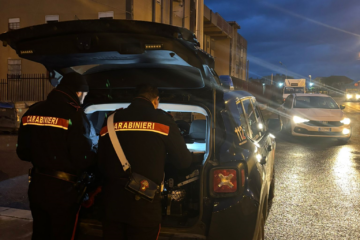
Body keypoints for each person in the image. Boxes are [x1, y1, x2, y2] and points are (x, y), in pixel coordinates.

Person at [97, 84, 193, 240]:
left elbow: (100, 162)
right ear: (156, 101)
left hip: (112, 204)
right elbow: (184, 161)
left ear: (134, 98)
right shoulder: (164, 121)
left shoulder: (111, 120)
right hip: (144, 205)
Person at [16, 72, 97, 240]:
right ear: (78, 92)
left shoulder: (33, 110)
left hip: (38, 185)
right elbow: (82, 158)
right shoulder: (74, 115)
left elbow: (22, 152)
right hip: (64, 190)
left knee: (40, 232)